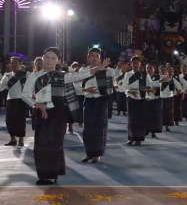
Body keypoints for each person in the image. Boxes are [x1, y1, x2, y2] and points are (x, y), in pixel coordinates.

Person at [21, 47, 110, 184]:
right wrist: (39, 106)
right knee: (40, 144)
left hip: (58, 113)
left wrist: (97, 68)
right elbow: (24, 95)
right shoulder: (34, 76)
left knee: (54, 144)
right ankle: (44, 174)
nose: (49, 60)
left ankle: (51, 176)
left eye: (53, 58)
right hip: (41, 112)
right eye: (47, 57)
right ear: (42, 58)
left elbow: (80, 76)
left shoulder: (63, 76)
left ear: (58, 61)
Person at [78, 48, 118, 163]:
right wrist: (87, 89)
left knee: (99, 127)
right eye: (92, 55)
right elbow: (77, 86)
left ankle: (97, 154)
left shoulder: (106, 69)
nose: (94, 58)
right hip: (88, 101)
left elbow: (117, 73)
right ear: (88, 57)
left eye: (97, 56)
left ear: (100, 59)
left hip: (101, 101)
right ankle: (88, 153)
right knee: (88, 127)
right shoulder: (83, 70)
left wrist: (120, 68)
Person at [120, 57, 160, 146]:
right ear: (131, 64)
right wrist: (130, 91)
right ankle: (131, 138)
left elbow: (151, 84)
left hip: (141, 99)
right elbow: (124, 86)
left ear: (140, 64)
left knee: (140, 119)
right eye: (133, 62)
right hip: (131, 98)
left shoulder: (145, 74)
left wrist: (161, 81)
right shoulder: (128, 74)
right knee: (131, 119)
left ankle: (138, 139)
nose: (135, 64)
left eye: (137, 63)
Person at [0, 56, 28, 147]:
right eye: (12, 63)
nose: (14, 64)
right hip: (10, 100)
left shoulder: (26, 74)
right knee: (9, 120)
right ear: (10, 65)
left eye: (16, 63)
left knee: (21, 120)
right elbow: (1, 86)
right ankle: (12, 139)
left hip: (22, 100)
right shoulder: (7, 75)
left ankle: (21, 139)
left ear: (20, 64)